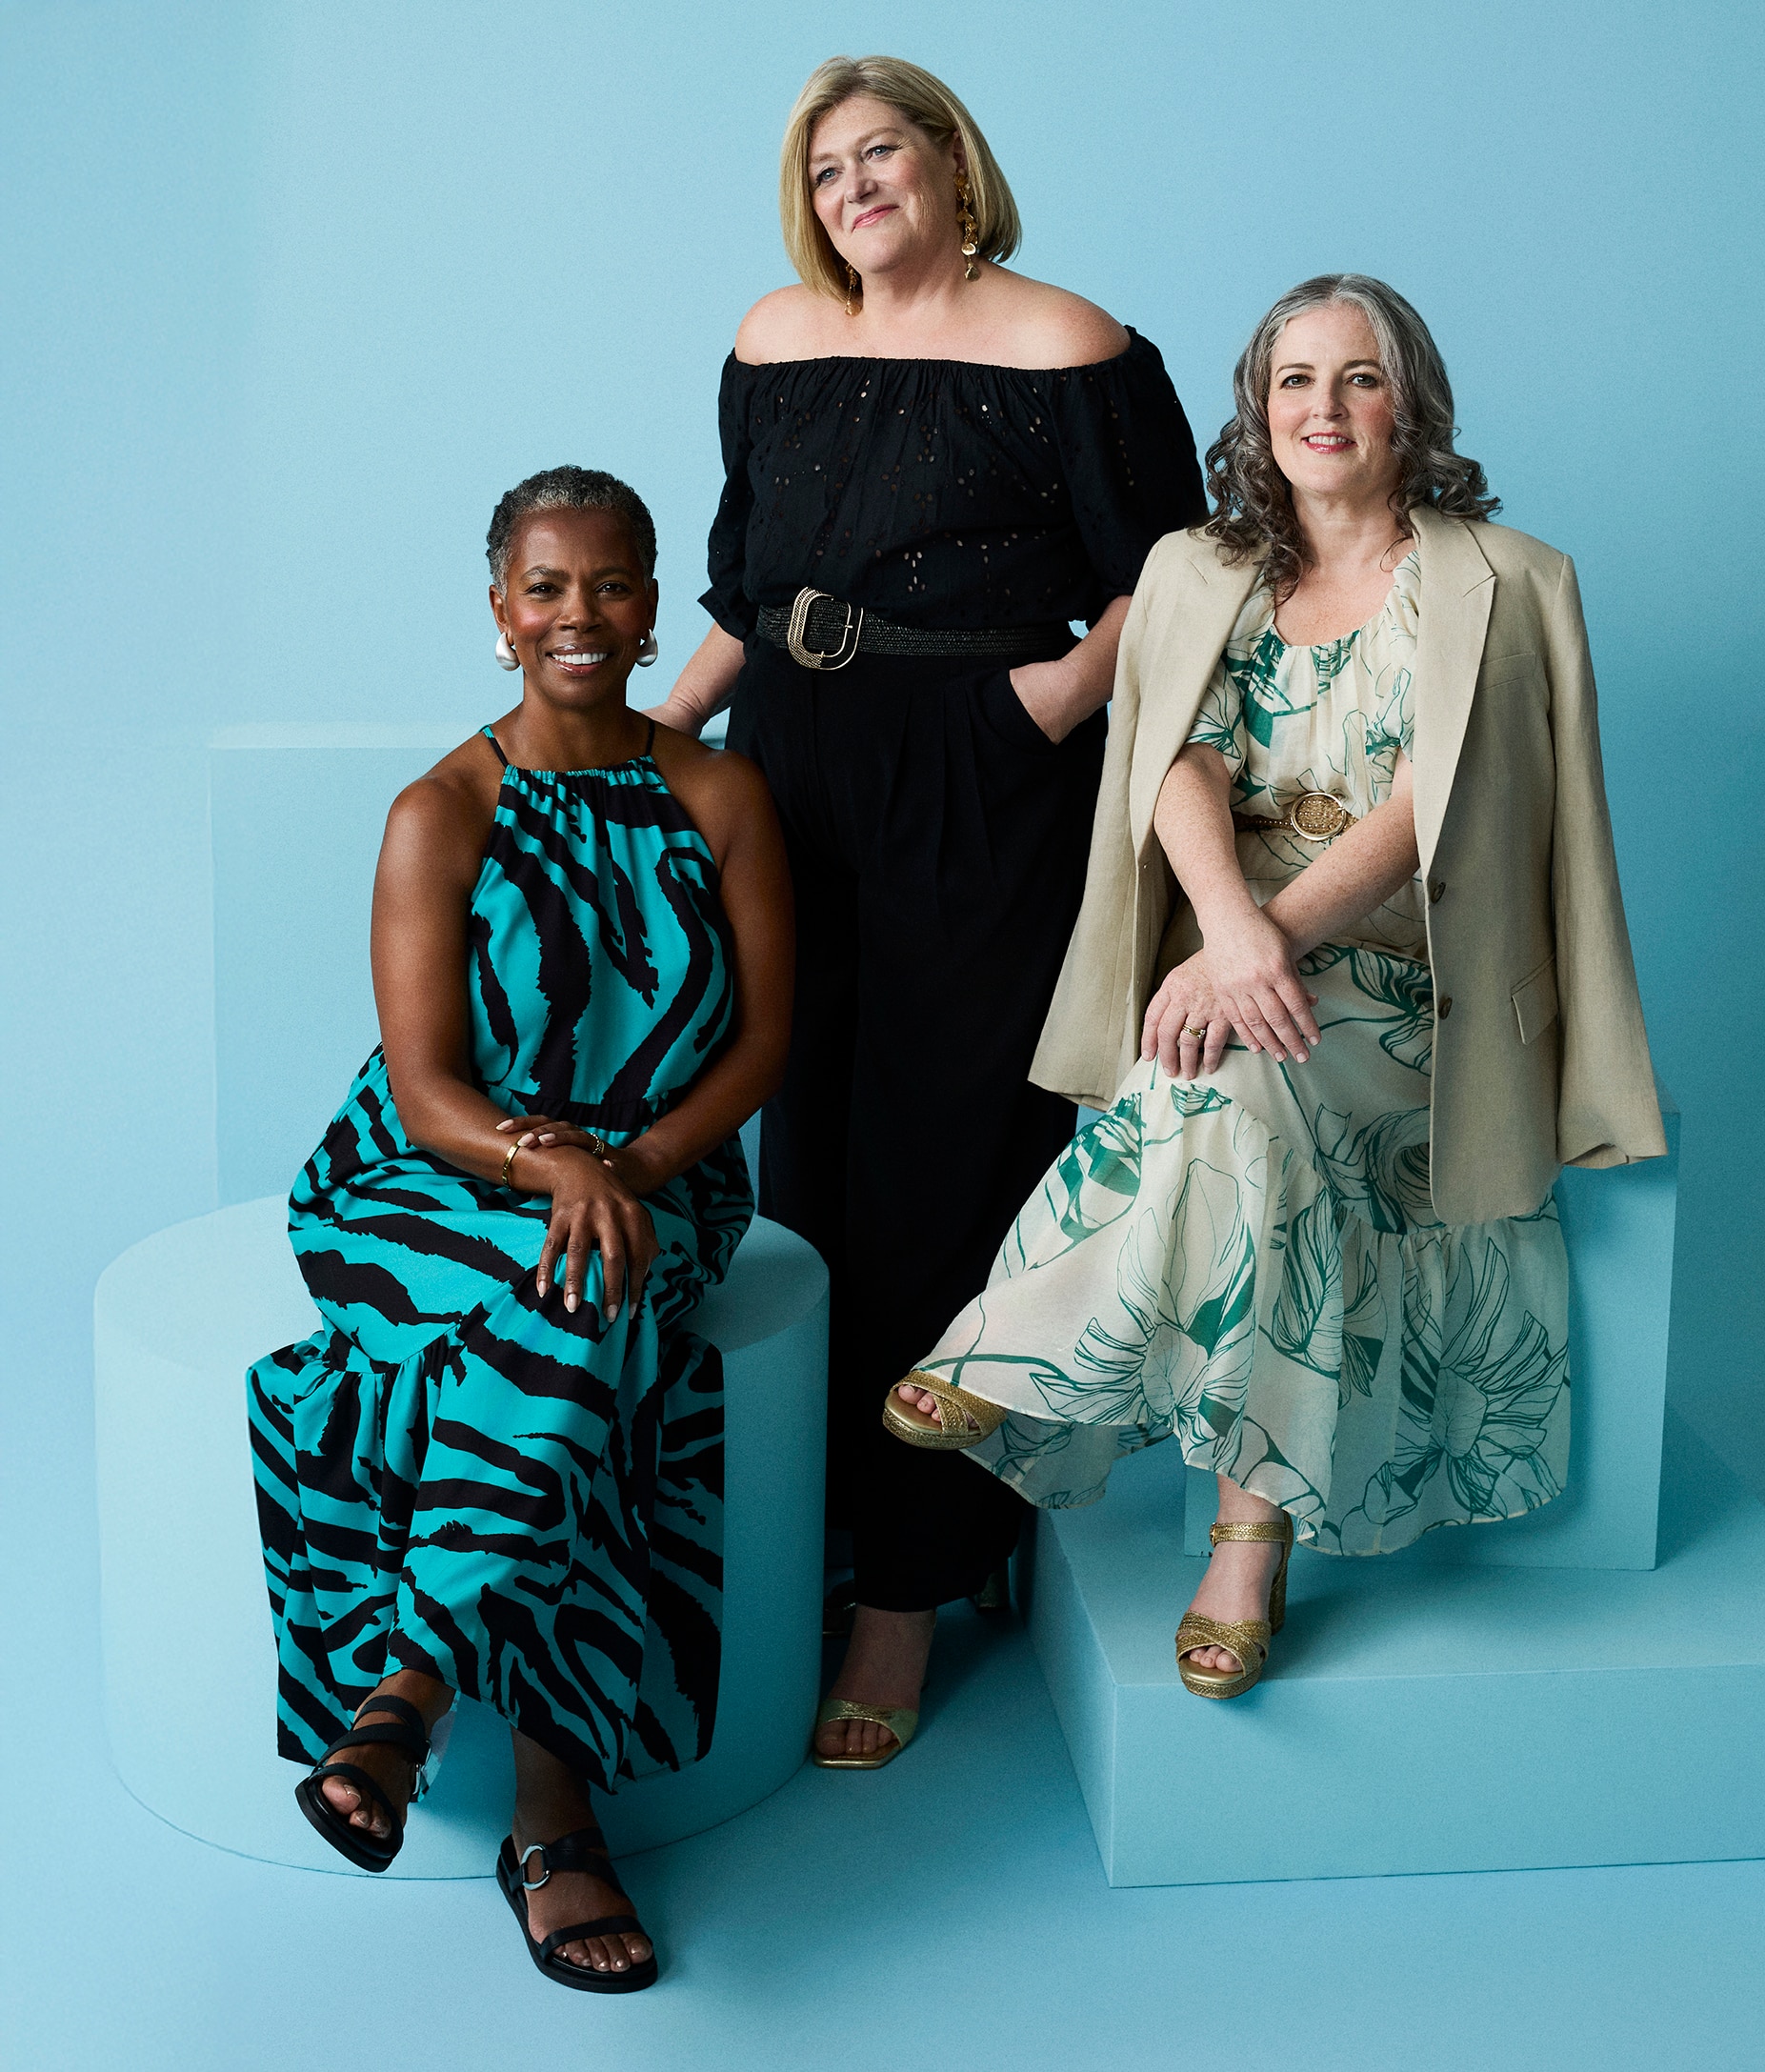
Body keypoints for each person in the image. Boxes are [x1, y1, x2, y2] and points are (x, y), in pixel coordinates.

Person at [886, 275, 1666, 1699]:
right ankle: (1249, 1543)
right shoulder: (1197, 569)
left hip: (1416, 988)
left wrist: (1260, 943)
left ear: (1410, 404)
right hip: (1236, 953)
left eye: (1359, 378)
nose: (1324, 408)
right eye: (1294, 380)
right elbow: (1168, 752)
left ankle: (1022, 1349)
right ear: (1258, 408)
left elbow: (1434, 806)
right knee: (1224, 1088)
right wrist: (1229, 936)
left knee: (1223, 1073)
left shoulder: (1511, 579)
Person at [650, 54, 1206, 1766]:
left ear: (956, 164)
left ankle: (912, 1582)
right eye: (826, 172)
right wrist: (651, 739)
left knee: (948, 1162)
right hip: (788, 762)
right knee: (799, 1150)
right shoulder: (771, 339)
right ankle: (825, 1528)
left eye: (882, 154)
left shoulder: (1070, 343)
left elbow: (1174, 575)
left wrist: (1044, 707)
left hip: (982, 764)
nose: (855, 190)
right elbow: (746, 589)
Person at [246, 466, 792, 1989]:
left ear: (653, 605)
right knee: (582, 1315)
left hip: (662, 1168)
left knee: (587, 1293)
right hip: (430, 1177)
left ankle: (404, 1695)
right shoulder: (441, 811)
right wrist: (558, 1171)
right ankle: (556, 1821)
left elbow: (762, 1045)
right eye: (545, 587)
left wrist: (636, 1166)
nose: (578, 614)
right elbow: (424, 1088)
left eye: (609, 584)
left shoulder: (721, 796)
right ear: (500, 611)